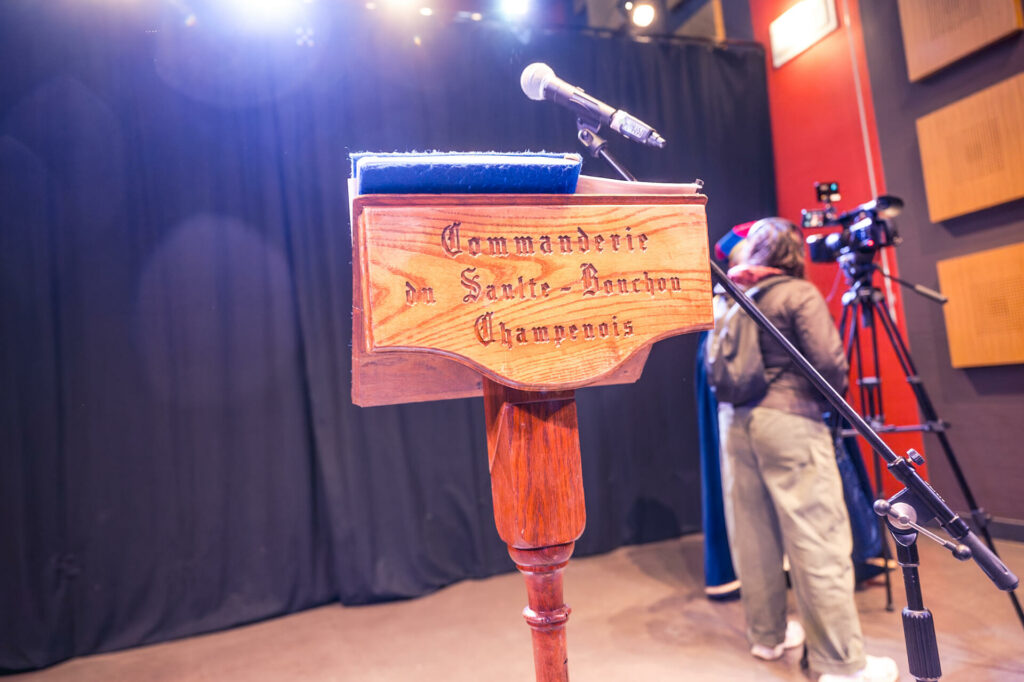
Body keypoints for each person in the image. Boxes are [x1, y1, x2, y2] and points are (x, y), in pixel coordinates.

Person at [712, 217, 899, 682]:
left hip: (735, 428)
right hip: (790, 423)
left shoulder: (732, 295)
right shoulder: (797, 293)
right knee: (818, 537)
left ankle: (767, 637)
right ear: (794, 254)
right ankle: (841, 664)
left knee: (753, 535)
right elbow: (830, 368)